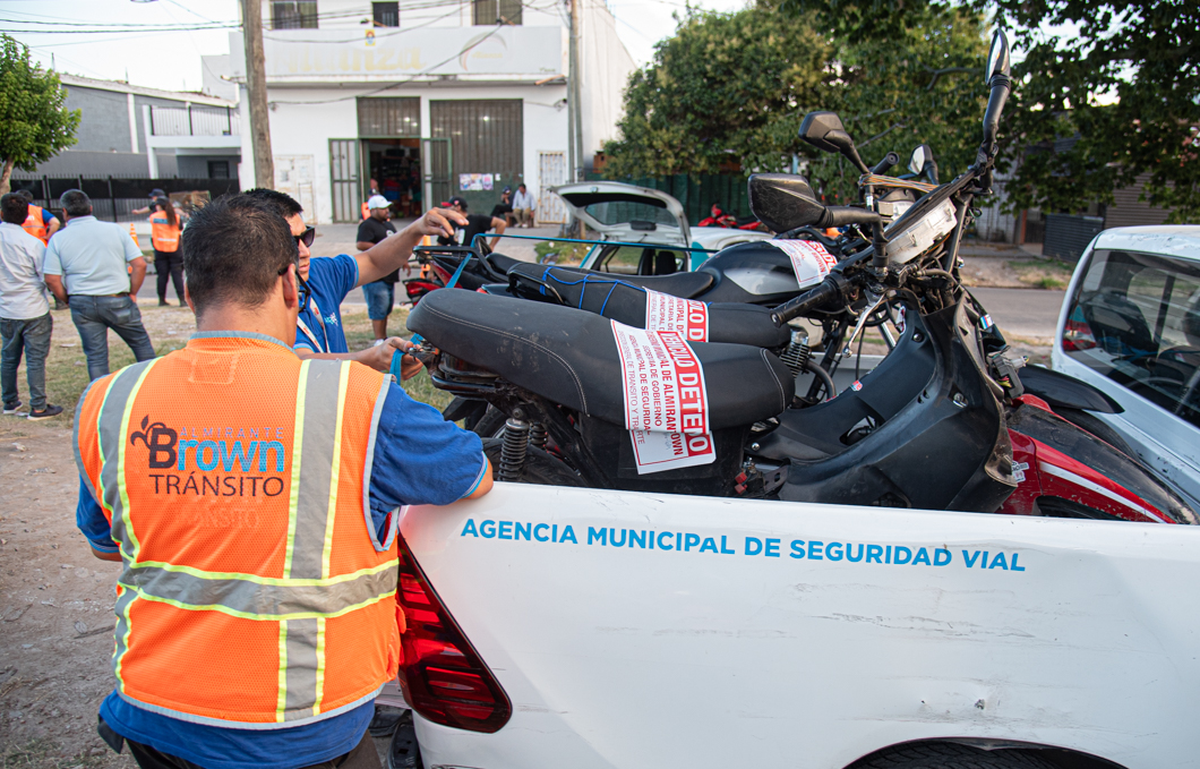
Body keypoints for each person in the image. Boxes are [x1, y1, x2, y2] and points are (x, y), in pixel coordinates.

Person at [74, 192, 493, 769]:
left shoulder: (110, 400)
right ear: (292, 287)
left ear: (190, 292)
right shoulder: (360, 403)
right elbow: (471, 473)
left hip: (154, 712)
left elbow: (104, 544)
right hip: (301, 723)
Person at [244, 188, 465, 370]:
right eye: (291, 242)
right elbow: (296, 363)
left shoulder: (318, 273)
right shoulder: (252, 301)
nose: (304, 251)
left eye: (306, 237)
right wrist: (369, 358)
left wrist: (418, 228)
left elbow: (374, 261)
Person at [43, 189, 156, 381]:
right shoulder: (115, 230)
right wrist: (132, 291)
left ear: (64, 212)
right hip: (116, 297)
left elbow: (52, 279)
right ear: (91, 208)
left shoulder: (58, 239)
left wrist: (68, 299)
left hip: (82, 301)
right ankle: (153, 389)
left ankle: (101, 399)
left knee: (96, 356)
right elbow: (140, 264)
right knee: (141, 345)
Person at [0, 193, 61, 420]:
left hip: (5, 308)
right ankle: (38, 406)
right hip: (33, 308)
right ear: (27, 216)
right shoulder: (33, 244)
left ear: (1, 213)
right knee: (35, 359)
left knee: (8, 356)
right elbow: (45, 275)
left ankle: (9, 401)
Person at [357, 195, 401, 345]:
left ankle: (383, 336)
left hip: (389, 274)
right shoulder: (368, 225)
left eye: (387, 208)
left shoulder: (388, 225)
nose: (386, 211)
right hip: (376, 276)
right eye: (383, 209)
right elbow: (361, 244)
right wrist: (382, 249)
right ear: (373, 210)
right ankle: (378, 339)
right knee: (378, 308)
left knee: (386, 307)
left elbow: (396, 244)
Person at [149, 197, 185, 307]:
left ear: (158, 206)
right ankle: (182, 300)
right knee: (177, 275)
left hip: (160, 248)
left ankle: (161, 299)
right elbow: (180, 228)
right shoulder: (176, 217)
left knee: (162, 276)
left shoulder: (154, 217)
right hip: (174, 248)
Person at [436, 197, 506, 250]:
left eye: (449, 207)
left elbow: (501, 224)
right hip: (457, 264)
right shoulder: (449, 225)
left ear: (458, 207)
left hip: (477, 262)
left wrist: (491, 245)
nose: (447, 210)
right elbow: (439, 247)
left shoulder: (477, 219)